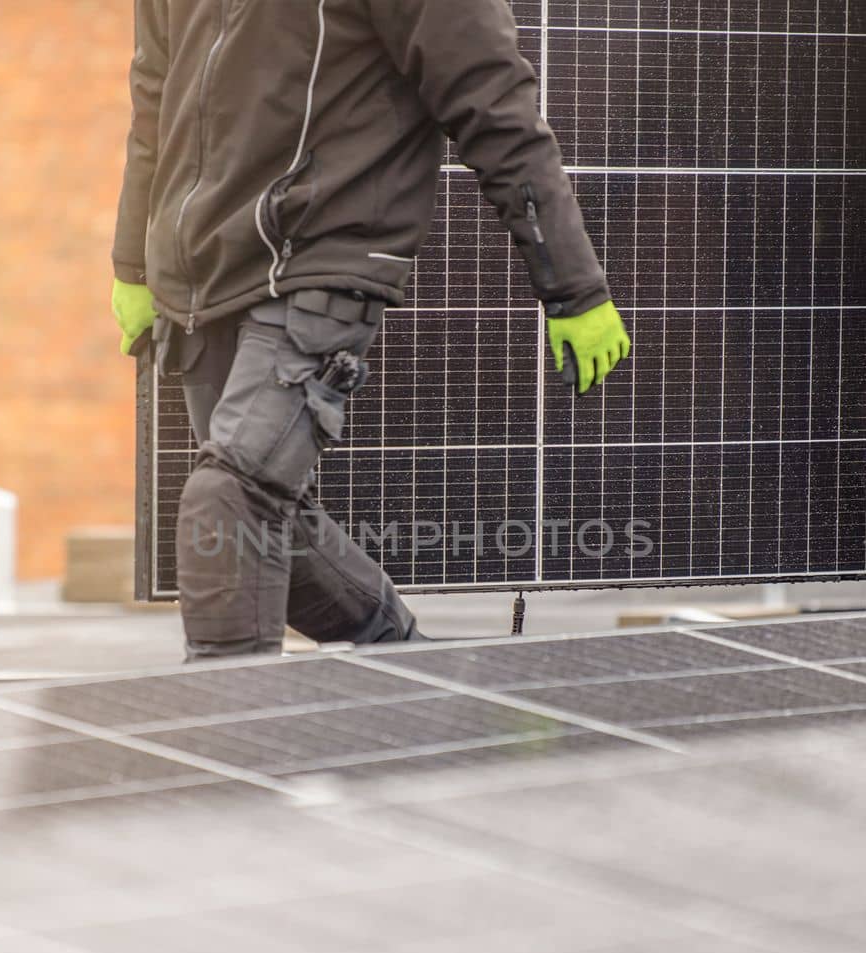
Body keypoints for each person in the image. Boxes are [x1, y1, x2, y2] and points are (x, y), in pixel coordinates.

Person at [109, 0, 632, 658]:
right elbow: (154, 90)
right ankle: (417, 675)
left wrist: (573, 286)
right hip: (201, 272)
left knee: (231, 499)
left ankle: (221, 723)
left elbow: (493, 100)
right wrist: (133, 261)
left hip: (322, 253)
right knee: (269, 528)